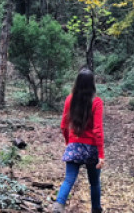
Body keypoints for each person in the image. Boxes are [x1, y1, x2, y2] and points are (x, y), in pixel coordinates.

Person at [53, 67, 105, 213]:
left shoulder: (70, 99)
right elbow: (97, 130)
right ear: (92, 84)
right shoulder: (97, 102)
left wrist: (68, 142)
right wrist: (101, 154)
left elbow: (63, 125)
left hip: (74, 144)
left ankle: (58, 205)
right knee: (94, 183)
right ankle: (96, 209)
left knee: (69, 179)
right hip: (91, 148)